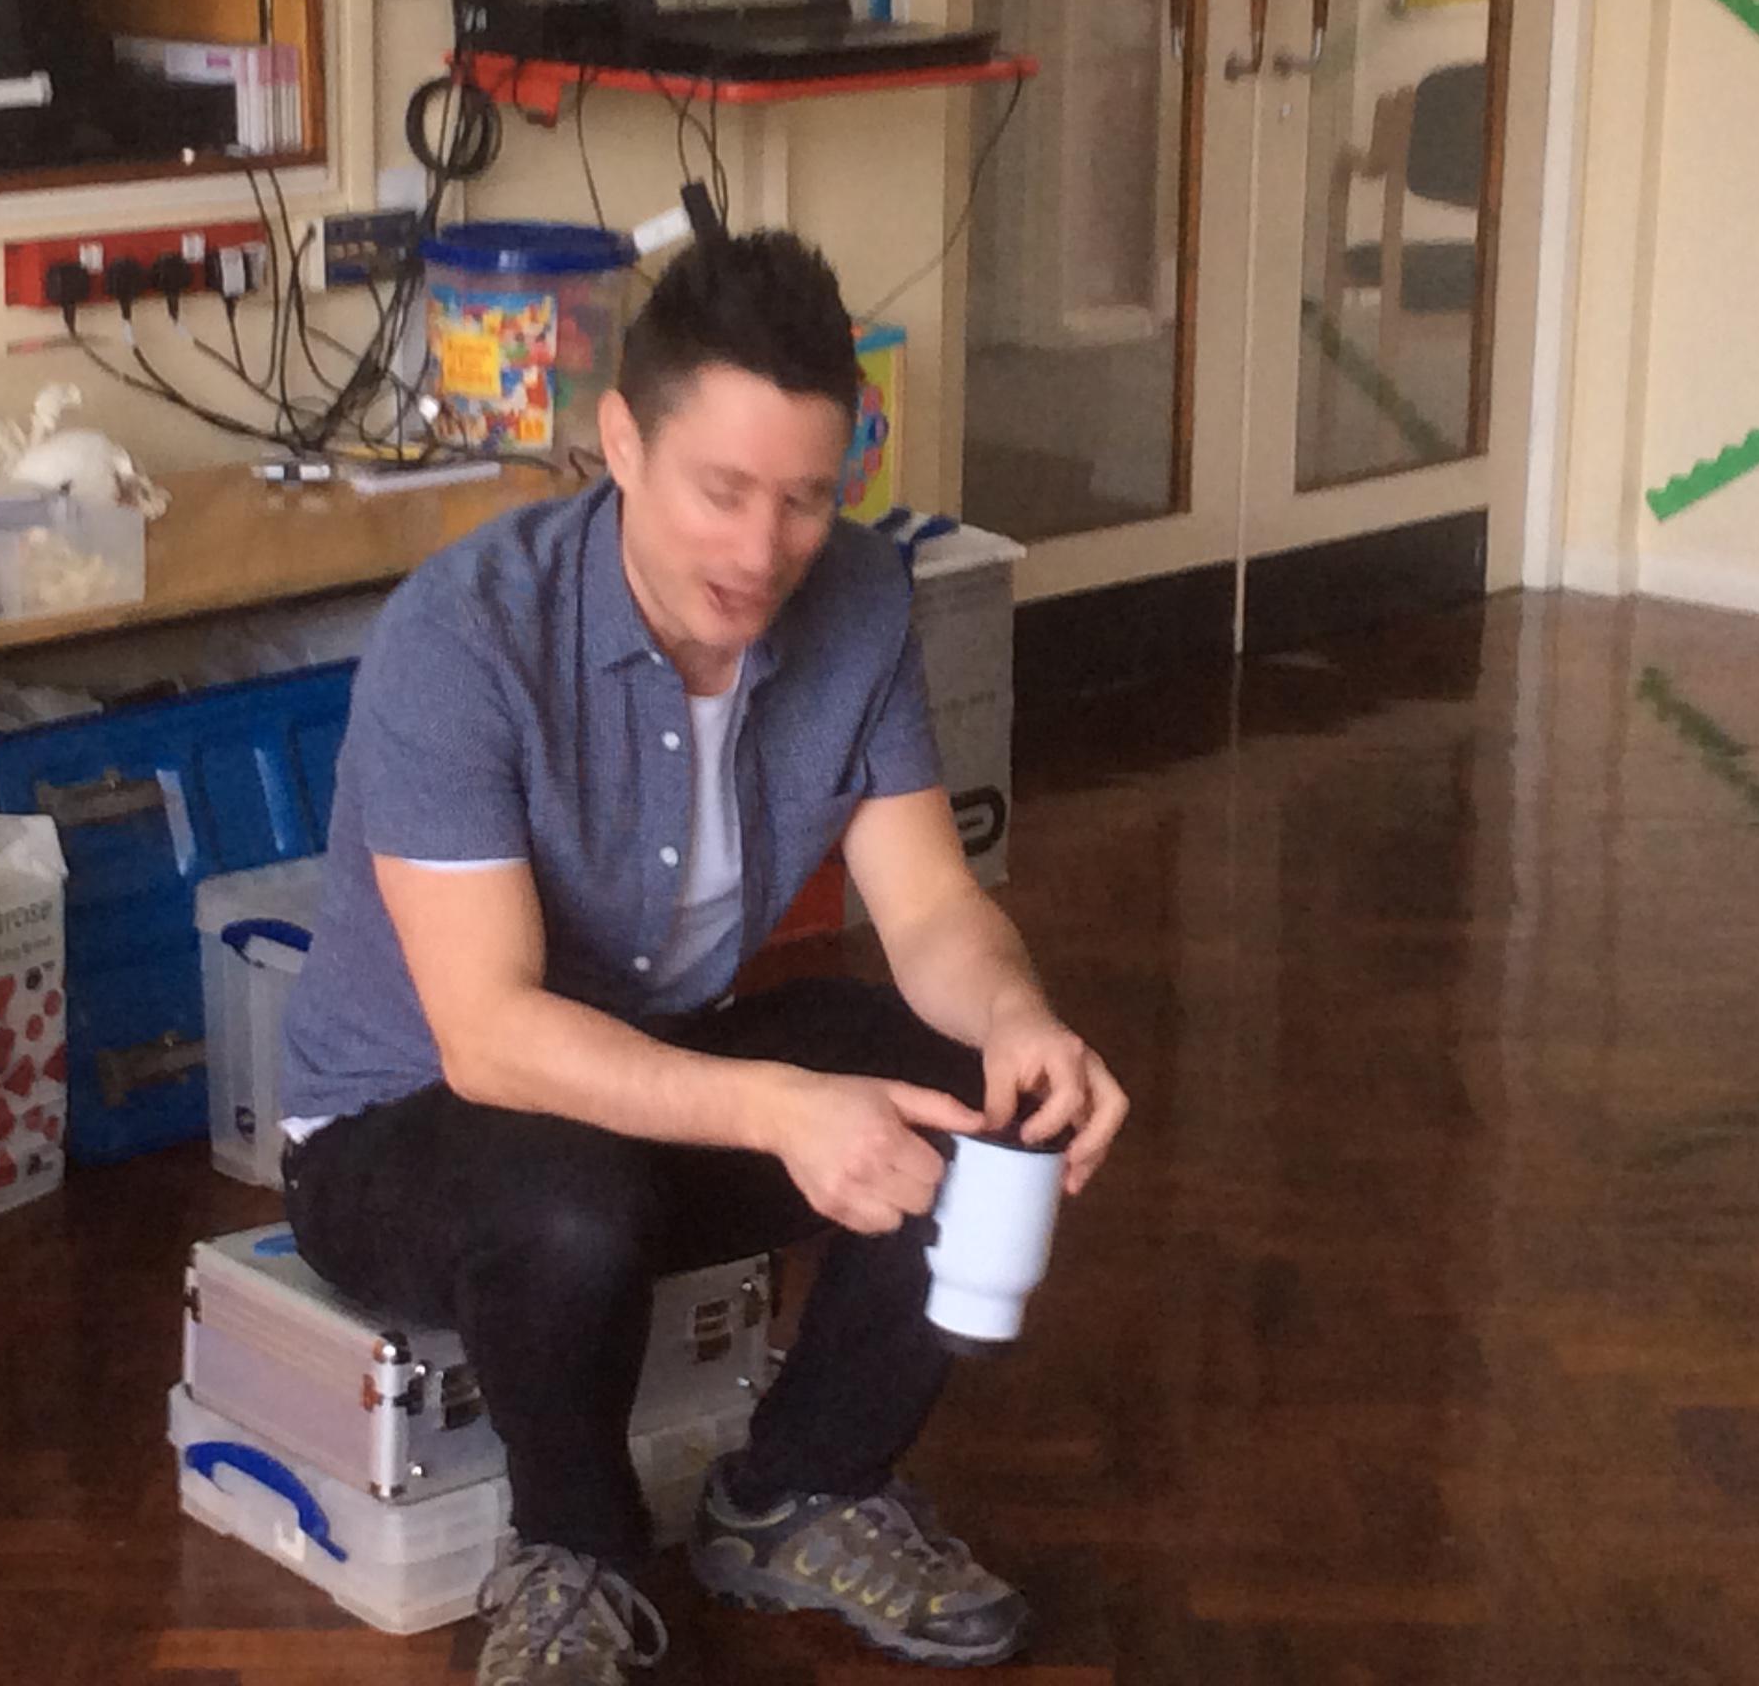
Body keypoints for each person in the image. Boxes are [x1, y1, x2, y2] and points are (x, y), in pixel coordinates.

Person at [276, 230, 1128, 1683]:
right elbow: (488, 1035)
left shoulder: (860, 598)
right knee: (569, 1199)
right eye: (721, 491)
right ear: (621, 442)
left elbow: (932, 912)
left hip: (653, 1089)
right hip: (404, 1133)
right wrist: (779, 1107)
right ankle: (574, 1556)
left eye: (805, 499)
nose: (760, 551)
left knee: (976, 1092)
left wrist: (1021, 1022)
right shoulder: (467, 634)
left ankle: (800, 1491)